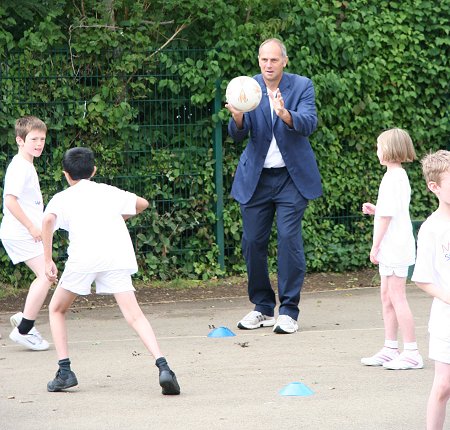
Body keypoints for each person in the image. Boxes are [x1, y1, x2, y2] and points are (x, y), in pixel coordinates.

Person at [41, 147, 180, 395]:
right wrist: (116, 219)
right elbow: (142, 204)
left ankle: (65, 371)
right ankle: (163, 366)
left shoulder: (62, 198)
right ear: (94, 170)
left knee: (56, 309)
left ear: (66, 175)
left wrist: (48, 259)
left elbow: (47, 221)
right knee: (134, 315)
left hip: (83, 259)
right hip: (116, 256)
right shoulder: (108, 191)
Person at [225, 38, 322, 334]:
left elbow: (309, 123)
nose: (269, 65)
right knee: (252, 242)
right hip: (256, 179)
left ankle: (289, 311)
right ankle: (263, 308)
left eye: (274, 60)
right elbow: (237, 135)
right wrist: (238, 119)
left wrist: (285, 114)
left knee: (289, 239)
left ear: (284, 61)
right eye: (264, 60)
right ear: (259, 61)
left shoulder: (301, 86)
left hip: (291, 178)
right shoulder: (246, 87)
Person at [360, 128, 423, 370]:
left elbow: (387, 217)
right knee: (387, 296)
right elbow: (390, 211)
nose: (377, 151)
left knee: (397, 297)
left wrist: (375, 247)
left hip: (394, 247)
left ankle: (412, 352)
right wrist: (376, 210)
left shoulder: (394, 178)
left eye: (379, 146)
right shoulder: (396, 177)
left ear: (389, 150)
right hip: (394, 245)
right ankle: (390, 348)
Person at [0, 116, 52, 351]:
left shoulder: (25, 164)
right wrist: (32, 227)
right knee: (47, 275)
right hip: (21, 233)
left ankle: (25, 321)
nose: (39, 143)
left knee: (47, 274)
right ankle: (24, 329)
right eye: (33, 139)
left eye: (42, 138)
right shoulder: (20, 167)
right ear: (20, 140)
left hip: (21, 232)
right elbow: (9, 201)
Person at [412, 150, 450, 429]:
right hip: (445, 319)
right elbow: (422, 278)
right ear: (434, 187)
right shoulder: (431, 229)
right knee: (444, 387)